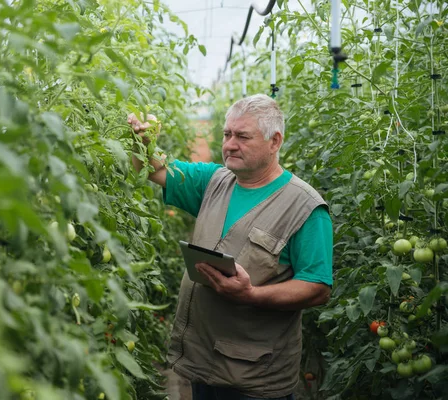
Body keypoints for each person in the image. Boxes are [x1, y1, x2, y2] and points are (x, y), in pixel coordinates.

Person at [128, 94, 333, 400]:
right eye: (226, 134)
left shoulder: (305, 207)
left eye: (242, 136)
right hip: (202, 363)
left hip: (255, 378)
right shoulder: (214, 181)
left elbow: (317, 287)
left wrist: (252, 295)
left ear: (274, 141)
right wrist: (141, 143)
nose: (229, 144)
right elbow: (154, 169)